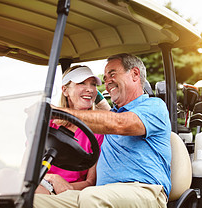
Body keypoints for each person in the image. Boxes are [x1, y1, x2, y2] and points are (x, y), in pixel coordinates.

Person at [34, 53, 171, 208]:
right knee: (33, 201)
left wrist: (53, 110)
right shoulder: (111, 114)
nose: (107, 83)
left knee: (92, 197)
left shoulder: (154, 106)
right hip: (104, 193)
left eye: (112, 74)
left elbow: (119, 124)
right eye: (105, 79)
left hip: (144, 190)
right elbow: (101, 108)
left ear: (134, 74)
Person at [36, 65, 110, 195]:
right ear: (65, 90)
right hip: (42, 182)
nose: (90, 89)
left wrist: (66, 187)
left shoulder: (98, 132)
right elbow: (26, 169)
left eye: (93, 85)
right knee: (6, 176)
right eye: (81, 83)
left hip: (69, 192)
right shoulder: (49, 125)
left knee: (30, 192)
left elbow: (90, 182)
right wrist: (51, 178)